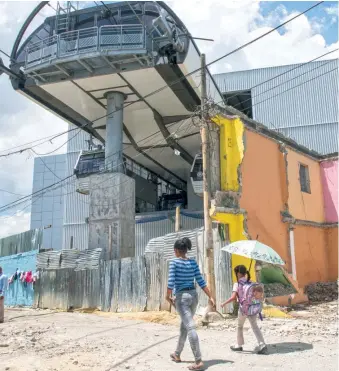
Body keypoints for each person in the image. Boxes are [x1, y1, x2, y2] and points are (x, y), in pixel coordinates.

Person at [166, 237, 215, 371]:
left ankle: (198, 360)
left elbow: (171, 281)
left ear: (176, 250)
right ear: (186, 250)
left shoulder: (174, 262)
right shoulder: (192, 262)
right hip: (194, 296)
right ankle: (177, 354)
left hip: (182, 298)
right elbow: (200, 281)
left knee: (190, 327)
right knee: (184, 326)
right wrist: (210, 296)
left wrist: (167, 296)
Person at [221, 265, 267, 354]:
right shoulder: (250, 282)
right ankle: (262, 344)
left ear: (238, 273)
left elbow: (233, 297)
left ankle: (239, 345)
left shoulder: (237, 284)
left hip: (243, 309)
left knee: (240, 326)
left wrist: (224, 303)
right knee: (255, 326)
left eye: (236, 273)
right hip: (253, 308)